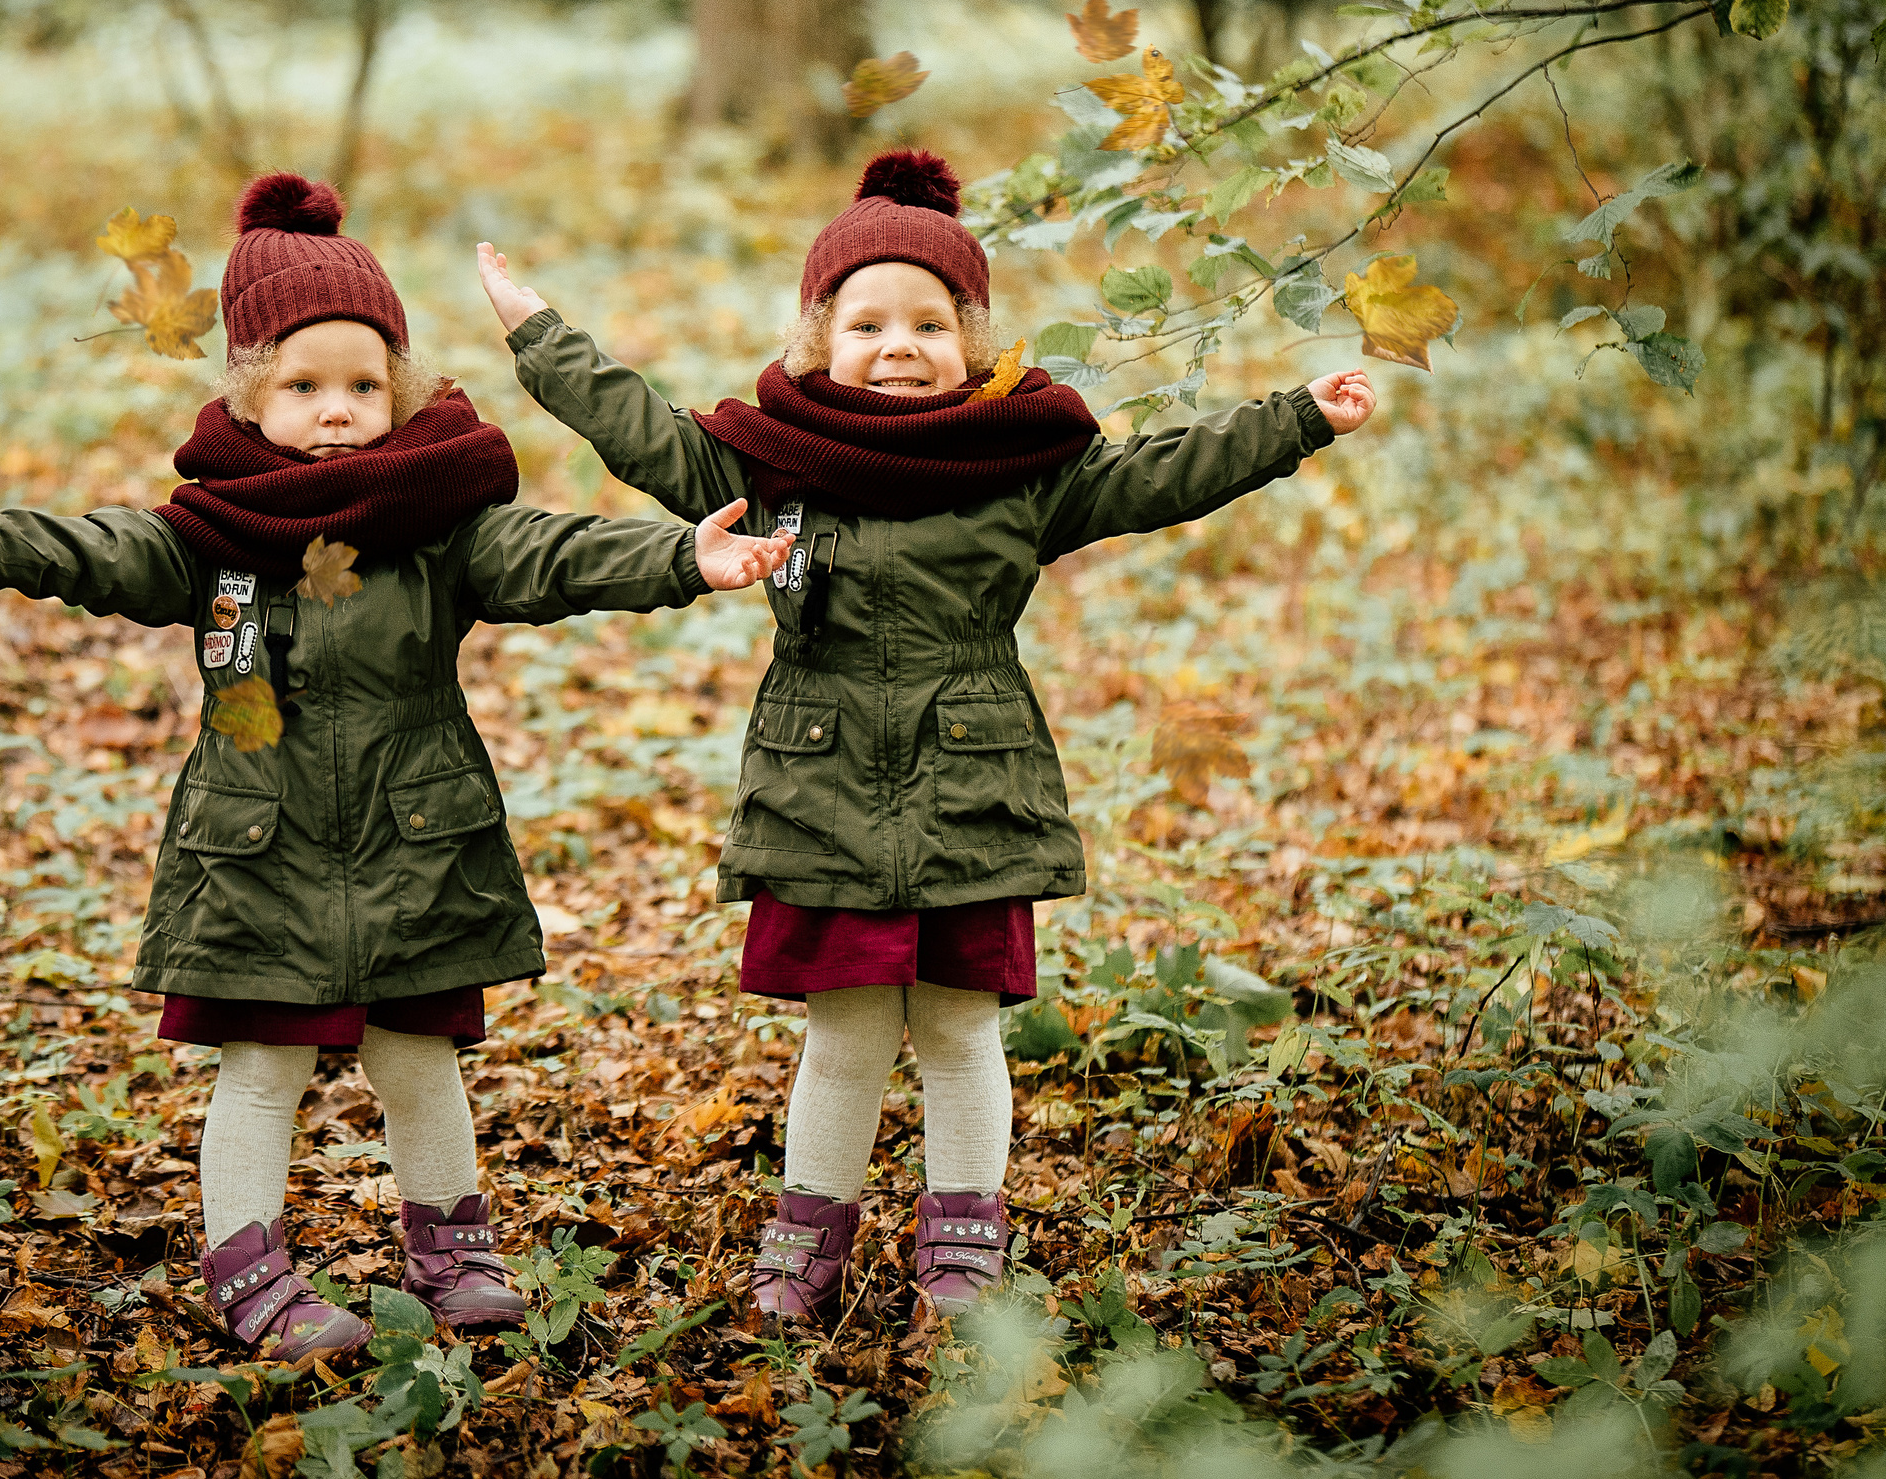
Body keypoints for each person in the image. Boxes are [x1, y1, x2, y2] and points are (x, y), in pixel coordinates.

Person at [0, 172, 793, 1361]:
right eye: (304, 386)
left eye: (364, 385)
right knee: (265, 1060)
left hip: (418, 833)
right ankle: (248, 1263)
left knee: (418, 1052)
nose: (336, 410)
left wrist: (682, 558)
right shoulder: (212, 536)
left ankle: (452, 1245)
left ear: (400, 390)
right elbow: (93, 548)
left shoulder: (440, 526)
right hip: (262, 837)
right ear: (252, 394)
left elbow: (552, 554)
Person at [476, 148, 1375, 1327]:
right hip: (821, 776)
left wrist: (1297, 414)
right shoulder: (771, 464)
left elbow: (1167, 473)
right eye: (866, 323)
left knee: (957, 1025)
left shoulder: (1018, 464)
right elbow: (639, 430)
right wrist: (540, 331)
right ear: (817, 342)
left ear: (973, 341)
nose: (896, 345)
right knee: (844, 1031)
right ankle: (809, 1236)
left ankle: (962, 1237)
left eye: (926, 322)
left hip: (973, 778)